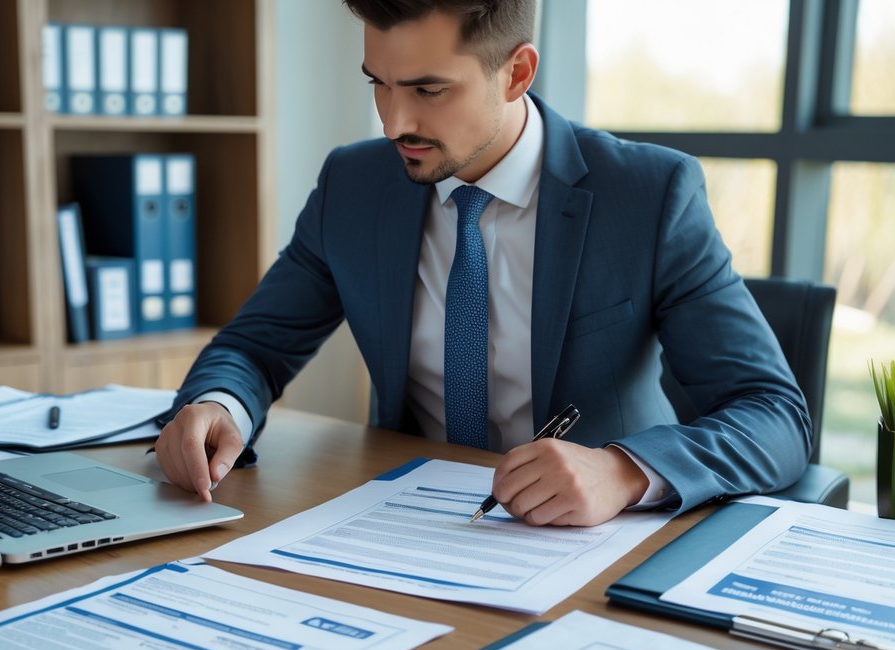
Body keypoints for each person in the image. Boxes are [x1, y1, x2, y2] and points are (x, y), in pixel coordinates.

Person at [155, 0, 811, 526]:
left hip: (590, 544)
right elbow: (254, 346)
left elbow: (773, 414)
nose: (393, 122)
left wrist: (621, 471)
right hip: (405, 524)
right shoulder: (354, 185)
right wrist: (219, 406)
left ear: (516, 73)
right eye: (378, 84)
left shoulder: (647, 195)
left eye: (428, 89)